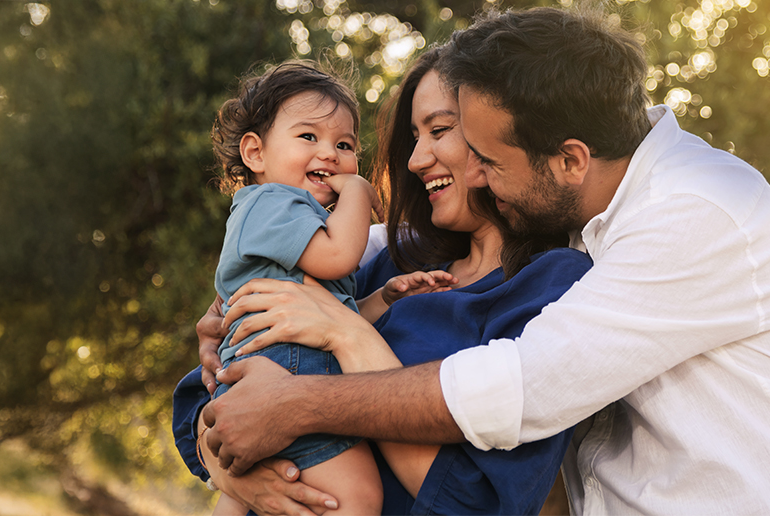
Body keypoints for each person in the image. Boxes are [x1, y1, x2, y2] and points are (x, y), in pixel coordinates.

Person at [202, 7, 770, 515]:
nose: (466, 172)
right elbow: (245, 348)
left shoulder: (696, 211)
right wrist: (235, 438)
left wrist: (305, 395)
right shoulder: (572, 218)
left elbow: (521, 389)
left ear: (568, 159)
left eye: (484, 157)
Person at [174, 47, 592, 515]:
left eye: (439, 130)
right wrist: (237, 475)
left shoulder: (555, 286)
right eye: (414, 137)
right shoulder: (391, 259)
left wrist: (347, 335)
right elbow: (205, 402)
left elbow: (476, 503)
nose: (415, 160)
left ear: (499, 133)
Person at [201, 60, 380, 516]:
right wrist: (359, 191)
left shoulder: (290, 217)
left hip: (274, 363)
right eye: (309, 137)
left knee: (242, 492)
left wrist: (387, 296)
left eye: (344, 144)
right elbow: (339, 257)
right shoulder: (273, 203)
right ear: (255, 154)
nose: (330, 153)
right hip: (285, 368)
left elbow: (332, 312)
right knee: (356, 497)